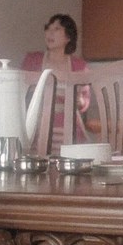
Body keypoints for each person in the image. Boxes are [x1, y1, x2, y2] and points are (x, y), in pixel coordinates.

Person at [21, 14, 91, 152]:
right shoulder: (32, 60)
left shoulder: (79, 66)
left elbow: (84, 103)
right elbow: (20, 92)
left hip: (69, 130)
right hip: (36, 129)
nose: (50, 33)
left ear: (68, 37)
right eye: (48, 28)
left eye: (57, 29)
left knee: (72, 156)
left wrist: (79, 101)